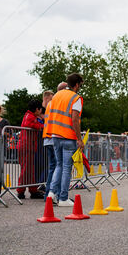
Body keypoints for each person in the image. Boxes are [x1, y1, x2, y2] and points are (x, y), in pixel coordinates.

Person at [45, 73, 85, 206]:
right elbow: (74, 118)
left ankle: (51, 193)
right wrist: (79, 139)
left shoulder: (57, 95)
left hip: (55, 135)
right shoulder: (76, 98)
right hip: (68, 136)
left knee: (59, 165)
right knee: (67, 168)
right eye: (81, 85)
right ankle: (63, 198)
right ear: (77, 84)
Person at [16, 100, 44, 199]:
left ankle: (33, 190)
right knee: (26, 169)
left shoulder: (31, 116)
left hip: (29, 146)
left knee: (31, 170)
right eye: (40, 109)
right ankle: (20, 191)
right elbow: (28, 125)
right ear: (37, 109)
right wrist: (41, 126)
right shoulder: (29, 116)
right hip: (26, 146)